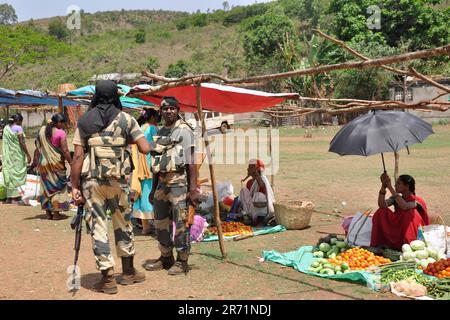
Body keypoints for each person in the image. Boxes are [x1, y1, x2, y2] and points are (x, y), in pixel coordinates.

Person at [71, 80, 152, 295]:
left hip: (93, 183)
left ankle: (107, 279)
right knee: (123, 223)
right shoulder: (127, 119)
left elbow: (78, 156)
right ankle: (128, 272)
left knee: (98, 227)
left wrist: (74, 186)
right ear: (115, 96)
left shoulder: (85, 120)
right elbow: (145, 148)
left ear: (97, 95)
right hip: (119, 182)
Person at [144, 96, 200, 276]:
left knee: (182, 223)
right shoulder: (161, 131)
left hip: (179, 184)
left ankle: (182, 260)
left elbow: (191, 161)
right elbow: (157, 162)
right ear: (160, 111)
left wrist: (193, 190)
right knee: (160, 221)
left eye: (172, 109)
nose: (168, 111)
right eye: (165, 109)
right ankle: (166, 256)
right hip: (161, 183)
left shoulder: (184, 131)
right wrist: (153, 189)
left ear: (178, 110)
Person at [371, 173, 429, 250]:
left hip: (415, 233)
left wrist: (390, 186)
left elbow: (404, 206)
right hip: (398, 229)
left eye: (398, 183)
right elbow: (382, 205)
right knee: (381, 211)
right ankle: (381, 244)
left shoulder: (416, 201)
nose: (395, 185)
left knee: (409, 213)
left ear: (407, 186)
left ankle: (409, 246)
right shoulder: (397, 198)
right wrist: (383, 186)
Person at [31, 114, 72, 220]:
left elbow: (37, 145)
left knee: (46, 188)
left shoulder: (42, 130)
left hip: (44, 164)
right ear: (59, 122)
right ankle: (57, 214)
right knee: (58, 188)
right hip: (56, 164)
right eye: (64, 123)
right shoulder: (61, 133)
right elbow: (65, 151)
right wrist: (71, 163)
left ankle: (48, 213)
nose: (64, 125)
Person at [130, 108, 159, 235]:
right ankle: (157, 226)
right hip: (149, 167)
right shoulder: (152, 128)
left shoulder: (139, 128)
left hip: (138, 168)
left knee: (141, 196)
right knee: (150, 195)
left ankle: (145, 227)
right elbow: (157, 146)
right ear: (152, 118)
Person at [2, 114, 31, 204]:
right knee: (17, 173)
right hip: (16, 155)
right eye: (21, 121)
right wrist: (28, 154)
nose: (21, 123)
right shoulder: (18, 128)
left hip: (8, 156)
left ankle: (9, 197)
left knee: (10, 173)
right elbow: (22, 142)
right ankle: (15, 197)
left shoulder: (6, 128)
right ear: (18, 120)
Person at [239, 159, 275, 228]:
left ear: (257, 169)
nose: (247, 169)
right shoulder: (249, 182)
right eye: (248, 167)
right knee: (243, 191)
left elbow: (261, 185)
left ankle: (260, 221)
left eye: (250, 167)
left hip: (265, 211)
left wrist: (256, 174)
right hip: (253, 210)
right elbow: (249, 200)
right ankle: (250, 219)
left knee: (258, 196)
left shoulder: (262, 179)